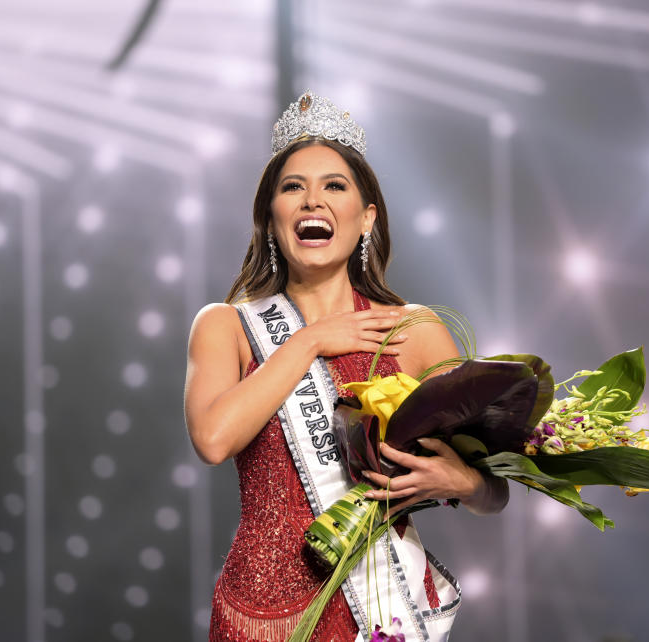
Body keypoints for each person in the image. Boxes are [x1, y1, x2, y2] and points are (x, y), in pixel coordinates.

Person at [185, 92, 508, 642]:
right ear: (271, 216)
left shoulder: (414, 329)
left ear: (366, 218)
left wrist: (465, 481)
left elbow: (495, 489)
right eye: (293, 188)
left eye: (335, 186)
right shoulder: (225, 325)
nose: (313, 202)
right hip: (260, 617)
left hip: (383, 605)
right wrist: (308, 342)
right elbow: (214, 440)